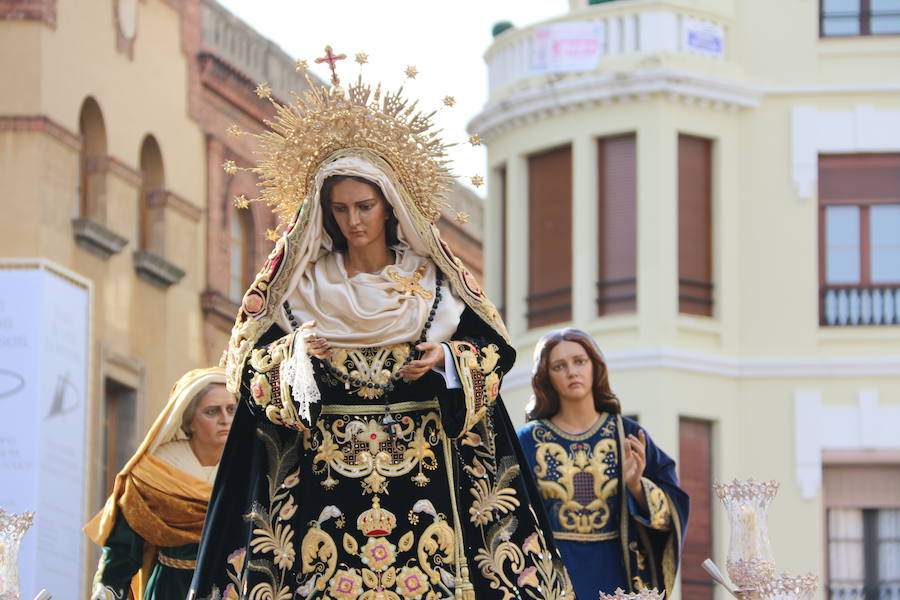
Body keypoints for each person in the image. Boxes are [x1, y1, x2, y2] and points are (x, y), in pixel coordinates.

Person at [188, 63, 574, 600]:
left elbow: (491, 348)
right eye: (340, 209)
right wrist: (294, 356)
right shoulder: (299, 288)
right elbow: (246, 365)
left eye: (364, 206)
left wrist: (448, 358)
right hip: (324, 479)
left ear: (390, 206)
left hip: (426, 477)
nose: (353, 221)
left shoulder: (433, 285)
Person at [516, 329, 689, 600]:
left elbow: (672, 511)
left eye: (579, 361)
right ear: (546, 377)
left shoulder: (628, 435)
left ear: (596, 367)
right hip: (554, 577)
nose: (572, 371)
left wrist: (636, 486)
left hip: (617, 574)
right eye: (559, 366)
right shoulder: (527, 441)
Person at [85, 367, 234, 600]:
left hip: (231, 589)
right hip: (171, 589)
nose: (225, 419)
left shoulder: (250, 469)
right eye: (212, 411)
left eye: (231, 409)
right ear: (189, 420)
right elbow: (123, 549)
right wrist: (109, 590)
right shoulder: (153, 473)